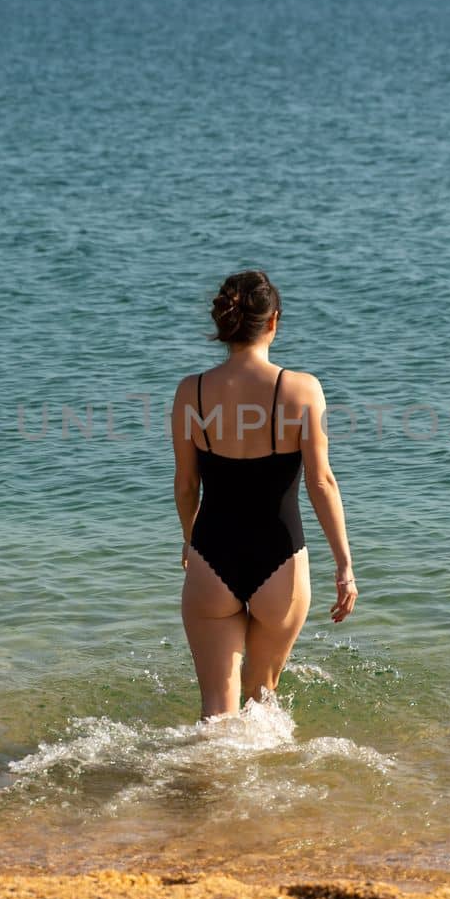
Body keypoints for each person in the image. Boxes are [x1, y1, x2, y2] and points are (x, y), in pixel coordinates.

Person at [171, 269, 358, 719]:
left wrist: (188, 538)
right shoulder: (301, 389)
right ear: (273, 321)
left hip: (211, 554)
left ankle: (204, 786)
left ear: (224, 325)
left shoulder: (190, 392)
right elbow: (321, 482)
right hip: (281, 560)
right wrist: (345, 565)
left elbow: (185, 485)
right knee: (262, 699)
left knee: (217, 713)